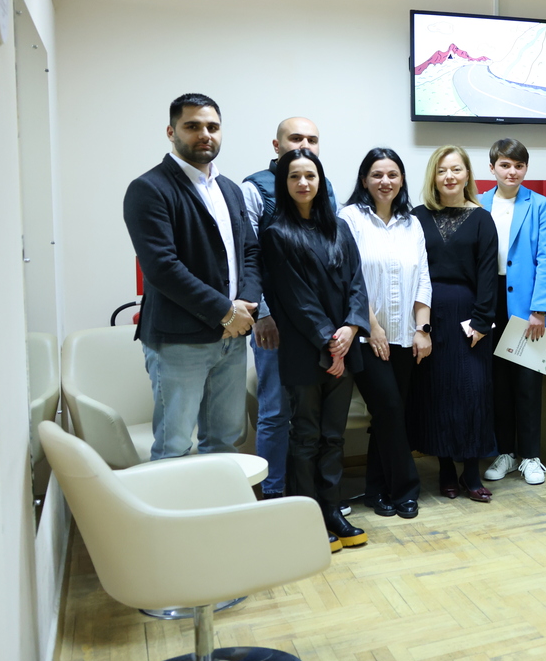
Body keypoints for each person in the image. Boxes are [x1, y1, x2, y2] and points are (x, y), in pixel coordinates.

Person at [123, 93, 259, 462]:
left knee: (224, 441)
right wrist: (225, 312)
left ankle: (214, 502)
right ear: (171, 132)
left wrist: (245, 305)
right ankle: (171, 505)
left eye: (212, 127)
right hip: (179, 340)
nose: (205, 134)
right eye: (193, 126)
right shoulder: (149, 189)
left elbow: (249, 252)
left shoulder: (230, 189)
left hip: (232, 338)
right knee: (174, 446)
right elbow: (162, 268)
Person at [260, 148, 370, 550]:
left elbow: (358, 283)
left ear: (321, 181)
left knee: (333, 437)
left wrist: (351, 328)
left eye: (310, 175)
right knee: (306, 436)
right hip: (306, 351)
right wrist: (330, 343)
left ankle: (332, 510)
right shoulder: (276, 233)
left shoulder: (339, 227)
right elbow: (295, 299)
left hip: (344, 345)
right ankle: (307, 517)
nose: (303, 183)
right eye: (294, 176)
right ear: (284, 183)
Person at [243, 117, 336, 499]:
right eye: (296, 137)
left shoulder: (324, 186)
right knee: (276, 412)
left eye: (312, 139)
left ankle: (310, 493)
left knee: (312, 416)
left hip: (318, 326)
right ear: (276, 145)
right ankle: (274, 494)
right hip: (276, 324)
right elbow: (248, 257)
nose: (305, 144)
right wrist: (262, 314)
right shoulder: (254, 188)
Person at [339, 148, 430, 520]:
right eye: (377, 174)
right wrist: (372, 326)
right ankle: (407, 488)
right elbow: (349, 278)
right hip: (365, 337)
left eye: (392, 174)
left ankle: (377, 491)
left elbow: (423, 277)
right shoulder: (350, 218)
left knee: (389, 415)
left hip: (406, 337)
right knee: (390, 409)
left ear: (402, 179)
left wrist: (422, 329)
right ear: (364, 179)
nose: (385, 181)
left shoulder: (412, 223)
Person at [410, 146, 499, 503]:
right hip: (429, 313)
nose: (449, 176)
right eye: (442, 170)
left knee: (472, 392)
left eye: (456, 169)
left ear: (467, 175)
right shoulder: (417, 217)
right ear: (433, 176)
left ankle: (471, 472)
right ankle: (446, 468)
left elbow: (488, 272)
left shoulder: (482, 218)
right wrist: (420, 324)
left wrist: (482, 321)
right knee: (439, 392)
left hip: (469, 315)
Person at [481, 139, 546, 487]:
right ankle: (505, 453)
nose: (512, 171)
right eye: (505, 165)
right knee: (497, 384)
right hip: (490, 301)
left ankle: (530, 456)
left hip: (527, 305)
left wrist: (539, 309)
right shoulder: (477, 202)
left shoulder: (539, 204)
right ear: (492, 167)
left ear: (525, 169)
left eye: (518, 165)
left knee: (527, 383)